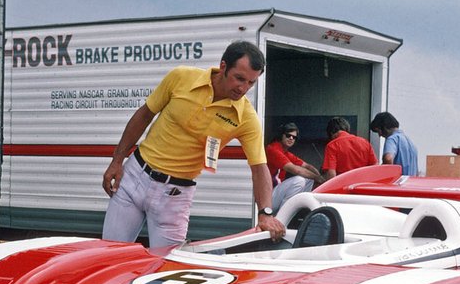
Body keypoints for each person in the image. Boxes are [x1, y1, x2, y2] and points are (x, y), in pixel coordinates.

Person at [101, 41, 285, 246]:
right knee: (109, 254)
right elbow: (144, 115)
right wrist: (117, 160)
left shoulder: (246, 118)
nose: (243, 88)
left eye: (251, 83)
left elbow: (259, 168)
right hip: (135, 177)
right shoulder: (181, 77)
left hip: (175, 196)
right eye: (239, 78)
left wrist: (265, 213)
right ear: (223, 66)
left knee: (169, 270)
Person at [265, 123, 323, 212]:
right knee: (299, 180)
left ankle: (297, 209)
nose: (291, 138)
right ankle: (283, 215)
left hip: (275, 195)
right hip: (267, 198)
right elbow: (295, 170)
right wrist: (318, 178)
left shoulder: (286, 153)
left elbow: (307, 166)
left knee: (309, 178)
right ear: (281, 135)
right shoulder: (273, 149)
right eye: (288, 135)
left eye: (294, 137)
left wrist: (319, 177)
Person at [320, 116, 377, 180]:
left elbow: (331, 174)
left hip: (343, 186)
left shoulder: (332, 145)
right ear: (347, 129)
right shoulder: (365, 142)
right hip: (363, 184)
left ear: (331, 133)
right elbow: (374, 167)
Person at [370, 111, 419, 176]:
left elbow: (388, 159)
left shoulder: (392, 139)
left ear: (384, 127)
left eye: (379, 131)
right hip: (410, 183)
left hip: (397, 184)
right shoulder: (410, 142)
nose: (380, 135)